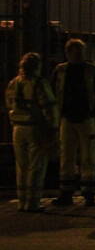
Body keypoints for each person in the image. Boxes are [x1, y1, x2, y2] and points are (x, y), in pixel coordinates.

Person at [51, 38, 95, 207]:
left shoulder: (61, 71)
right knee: (77, 156)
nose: (78, 55)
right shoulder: (90, 70)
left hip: (74, 117)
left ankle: (72, 193)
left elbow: (53, 93)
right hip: (80, 118)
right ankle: (83, 193)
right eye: (76, 52)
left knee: (76, 155)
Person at [5, 52, 58, 212]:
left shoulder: (13, 83)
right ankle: (33, 202)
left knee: (21, 166)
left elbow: (8, 104)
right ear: (37, 66)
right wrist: (53, 127)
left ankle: (22, 201)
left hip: (17, 127)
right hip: (35, 127)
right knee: (36, 165)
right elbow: (48, 107)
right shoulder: (38, 83)